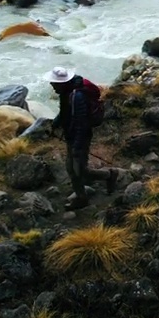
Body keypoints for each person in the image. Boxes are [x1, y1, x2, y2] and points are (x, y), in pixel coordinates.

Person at [47, 66, 118, 210]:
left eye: (53, 83)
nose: (51, 85)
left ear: (61, 83)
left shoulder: (77, 96)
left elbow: (82, 124)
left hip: (79, 137)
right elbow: (64, 112)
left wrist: (77, 147)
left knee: (80, 170)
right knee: (72, 169)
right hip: (71, 135)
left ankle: (109, 175)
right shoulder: (66, 92)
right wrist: (55, 124)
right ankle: (81, 196)